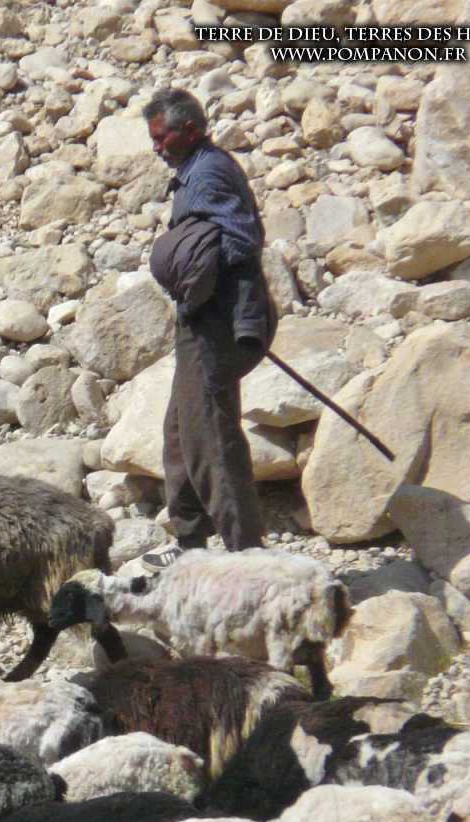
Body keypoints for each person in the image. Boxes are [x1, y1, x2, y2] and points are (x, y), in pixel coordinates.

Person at [139, 88, 277, 573]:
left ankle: (248, 557)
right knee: (180, 432)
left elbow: (242, 240)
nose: (157, 147)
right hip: (198, 322)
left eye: (162, 137)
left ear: (191, 130)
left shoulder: (210, 172)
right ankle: (190, 544)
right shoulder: (195, 171)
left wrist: (206, 278)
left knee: (211, 439)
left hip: (216, 324)